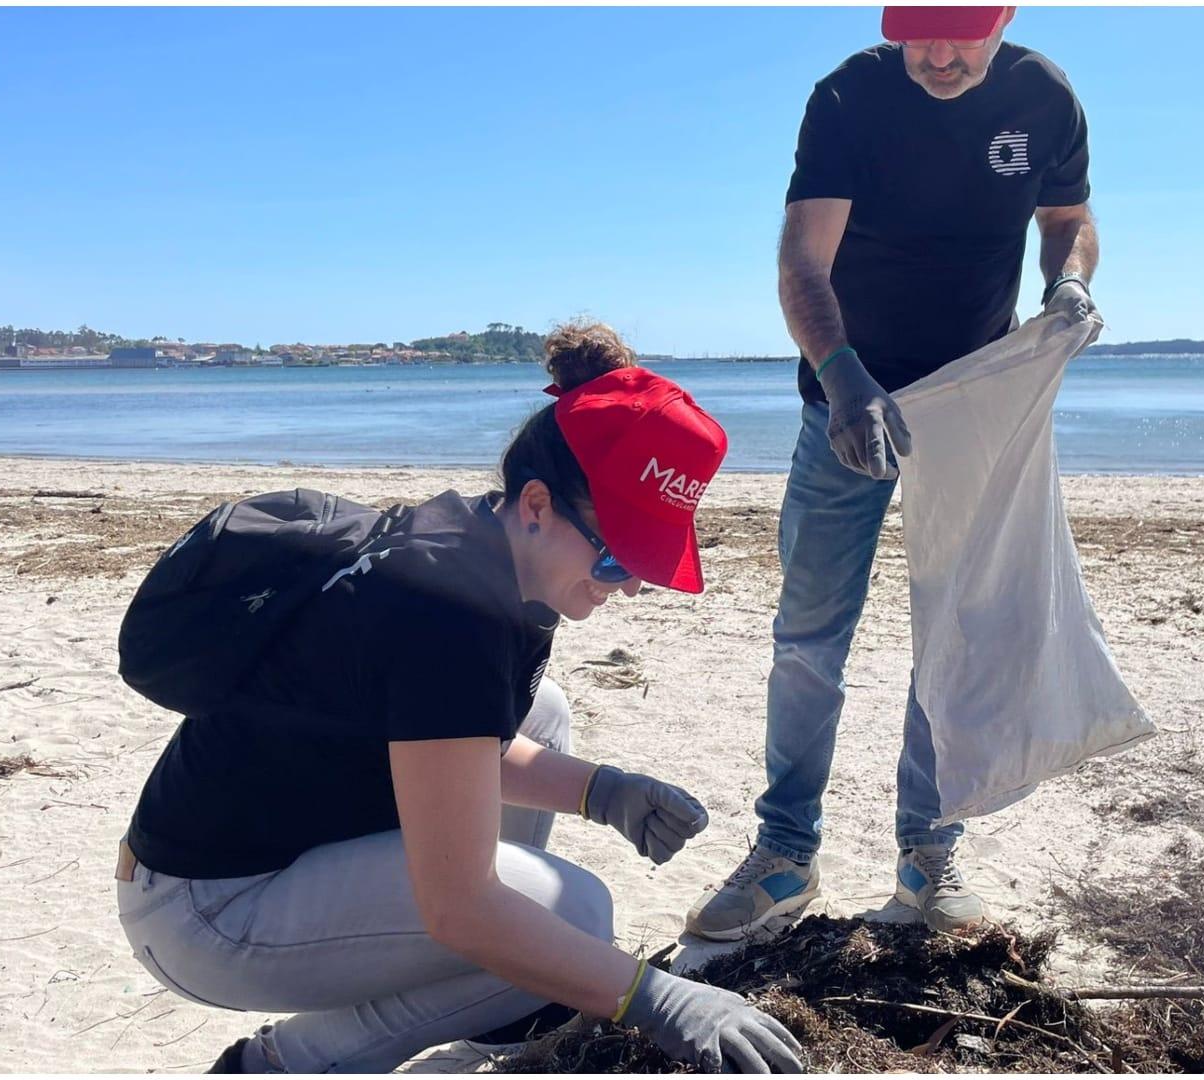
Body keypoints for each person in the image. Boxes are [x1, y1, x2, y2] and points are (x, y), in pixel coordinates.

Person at [115, 322, 803, 1074]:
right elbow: (460, 906)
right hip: (210, 913)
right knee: (570, 913)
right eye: (615, 555)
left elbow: (453, 742)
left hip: (254, 857)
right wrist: (654, 998)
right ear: (537, 504)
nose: (631, 583)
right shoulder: (449, 619)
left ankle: (500, 998)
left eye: (647, 559)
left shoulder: (475, 545)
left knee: (544, 714)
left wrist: (603, 792)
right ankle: (283, 1064)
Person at [686, 5, 1101, 940]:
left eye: (959, 37)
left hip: (970, 409)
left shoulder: (1044, 95)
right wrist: (843, 381)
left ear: (1003, 23)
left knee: (951, 639)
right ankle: (785, 853)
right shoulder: (850, 96)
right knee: (808, 639)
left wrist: (1067, 282)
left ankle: (928, 853)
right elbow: (802, 262)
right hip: (841, 404)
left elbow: (1070, 219)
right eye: (918, 35)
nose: (938, 58)